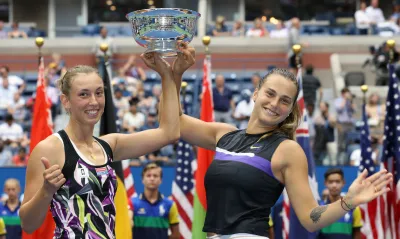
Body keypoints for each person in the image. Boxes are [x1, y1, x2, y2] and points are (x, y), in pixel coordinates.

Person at [168, 43, 393, 239]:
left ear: (290, 110)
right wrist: (174, 75)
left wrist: (348, 202)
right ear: (256, 93)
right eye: (270, 93)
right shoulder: (224, 135)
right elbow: (171, 122)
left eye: (285, 101)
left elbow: (310, 218)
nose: (275, 103)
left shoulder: (288, 150)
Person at [19, 47, 194, 238]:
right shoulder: (50, 148)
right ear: (65, 101)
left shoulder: (109, 145)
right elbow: (28, 224)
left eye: (99, 93)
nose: (94, 101)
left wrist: (169, 75)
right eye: (83, 94)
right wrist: (46, 191)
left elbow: (169, 133)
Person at [131, 163, 179, 239]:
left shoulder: (170, 205)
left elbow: (176, 235)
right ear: (142, 180)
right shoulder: (132, 204)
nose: (152, 178)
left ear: (161, 180)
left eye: (155, 176)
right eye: (148, 175)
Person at [317, 168, 362, 239]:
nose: (334, 185)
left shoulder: (354, 208)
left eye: (337, 182)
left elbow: (357, 234)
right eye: (330, 182)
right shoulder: (318, 208)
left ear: (343, 183)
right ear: (325, 183)